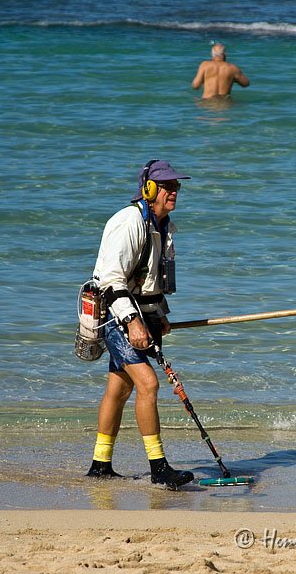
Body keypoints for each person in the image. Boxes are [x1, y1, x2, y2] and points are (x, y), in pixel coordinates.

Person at [87, 159, 194, 489]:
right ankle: (159, 468)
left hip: (142, 314)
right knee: (148, 384)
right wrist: (133, 322)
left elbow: (152, 282)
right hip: (115, 313)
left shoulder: (164, 226)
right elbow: (111, 280)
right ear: (148, 189)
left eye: (176, 186)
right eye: (166, 186)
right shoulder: (129, 222)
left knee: (119, 388)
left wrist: (160, 315)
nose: (173, 192)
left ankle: (100, 465)